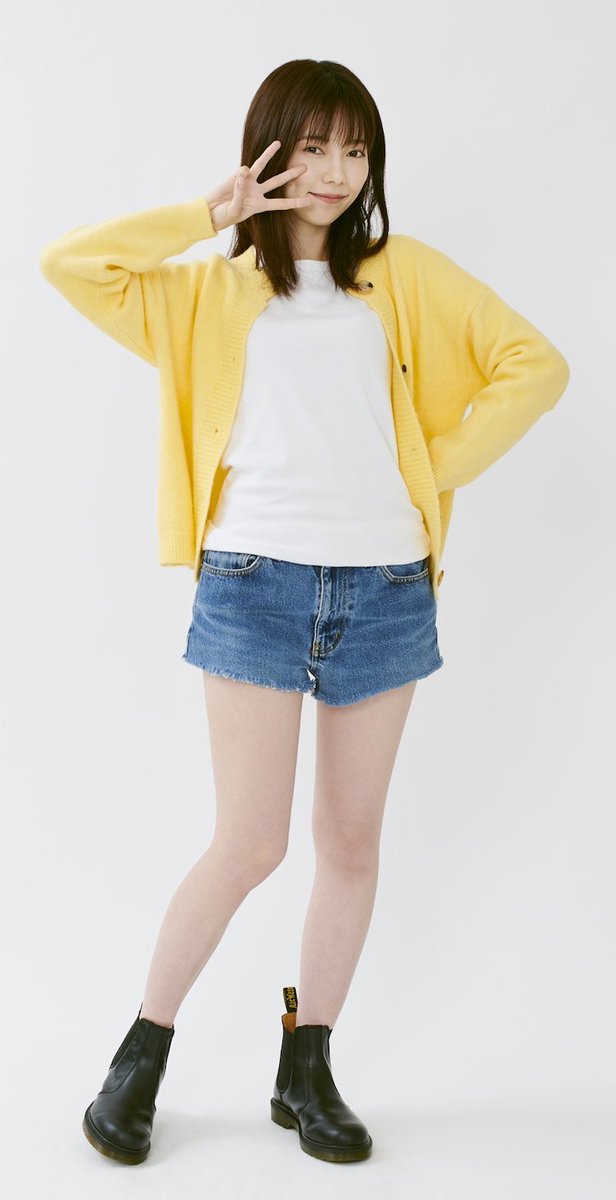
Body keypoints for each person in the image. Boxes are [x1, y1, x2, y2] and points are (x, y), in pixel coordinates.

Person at [38, 59, 570, 1167]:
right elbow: (71, 265)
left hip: (385, 588)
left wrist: (427, 470)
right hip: (253, 583)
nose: (335, 172)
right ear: (271, 150)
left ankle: (306, 1062)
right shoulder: (206, 291)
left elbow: (536, 364)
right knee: (248, 843)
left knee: (351, 842)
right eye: (315, 146)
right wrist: (209, 213)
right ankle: (139, 1054)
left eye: (355, 150)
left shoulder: (401, 273)